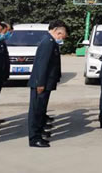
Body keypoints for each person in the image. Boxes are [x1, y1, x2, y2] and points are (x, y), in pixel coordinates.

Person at [27, 20, 67, 148]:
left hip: (45, 82)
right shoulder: (47, 43)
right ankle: (34, 138)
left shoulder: (50, 42)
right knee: (36, 111)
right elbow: (42, 65)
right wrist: (40, 83)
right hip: (41, 83)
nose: (62, 39)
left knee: (41, 110)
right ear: (57, 31)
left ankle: (39, 132)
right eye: (62, 36)